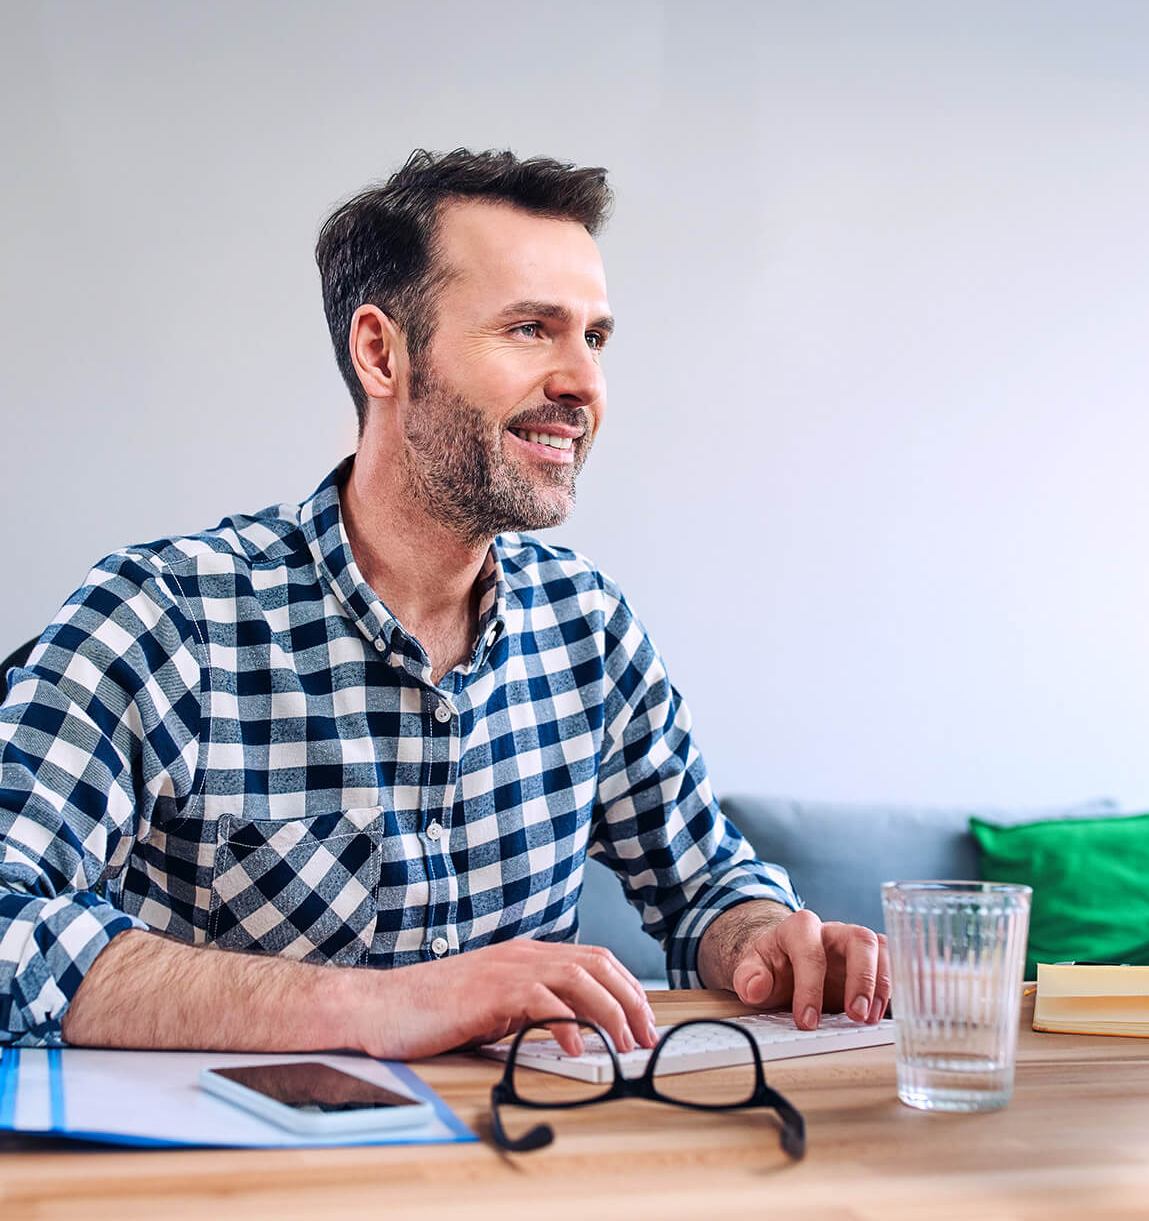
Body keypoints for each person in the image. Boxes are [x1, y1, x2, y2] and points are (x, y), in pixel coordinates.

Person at [0, 149, 890, 1058]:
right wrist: (384, 1006)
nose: (583, 381)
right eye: (530, 329)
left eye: (595, 337)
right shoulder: (164, 620)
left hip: (525, 1174)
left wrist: (764, 939)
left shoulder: (590, 630)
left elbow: (705, 884)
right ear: (382, 353)